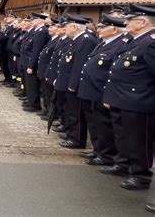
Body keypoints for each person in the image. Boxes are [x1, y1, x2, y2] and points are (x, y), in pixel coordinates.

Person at [102, 4, 155, 190]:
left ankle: (141, 175)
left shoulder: (150, 42)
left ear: (142, 22)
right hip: (122, 99)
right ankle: (123, 164)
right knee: (123, 137)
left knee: (139, 140)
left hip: (139, 102)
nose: (125, 22)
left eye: (130, 20)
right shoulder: (135, 41)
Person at [77, 13, 128, 166]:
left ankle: (106, 155)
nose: (99, 29)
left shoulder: (120, 44)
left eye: (102, 27)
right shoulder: (103, 42)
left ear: (114, 30)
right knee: (94, 125)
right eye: (99, 27)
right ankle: (97, 150)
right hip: (91, 90)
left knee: (104, 126)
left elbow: (113, 71)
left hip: (101, 92)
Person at [55, 14, 98, 149]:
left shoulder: (85, 40)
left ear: (74, 26)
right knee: (70, 111)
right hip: (67, 81)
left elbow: (79, 66)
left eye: (66, 26)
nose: (64, 29)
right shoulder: (76, 39)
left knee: (76, 113)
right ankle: (71, 134)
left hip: (74, 84)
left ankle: (77, 139)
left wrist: (73, 84)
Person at [21, 13, 49, 112]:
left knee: (33, 85)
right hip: (27, 60)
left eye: (33, 19)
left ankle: (34, 105)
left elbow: (36, 50)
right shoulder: (36, 31)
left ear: (39, 20)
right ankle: (31, 101)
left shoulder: (42, 31)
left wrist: (31, 65)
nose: (31, 21)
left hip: (32, 61)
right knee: (29, 84)